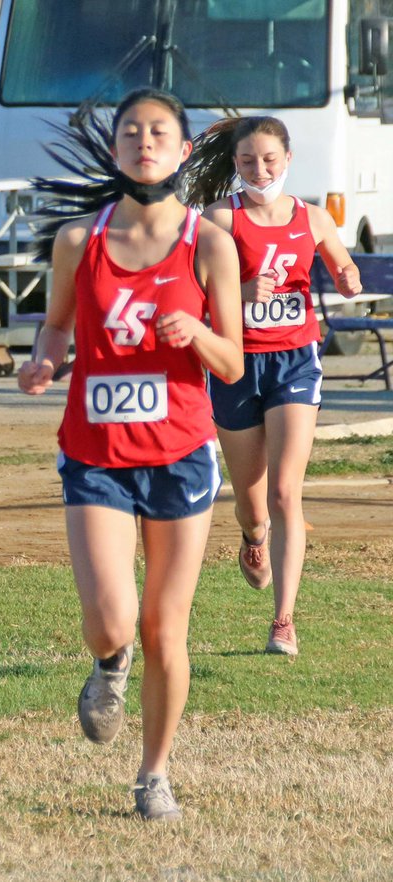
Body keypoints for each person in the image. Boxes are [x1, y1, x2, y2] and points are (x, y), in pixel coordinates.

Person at [18, 89, 244, 820]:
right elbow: (54, 328)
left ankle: (154, 774)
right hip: (97, 451)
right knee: (115, 621)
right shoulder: (79, 241)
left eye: (160, 132)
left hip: (180, 453)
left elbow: (234, 363)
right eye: (131, 132)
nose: (144, 141)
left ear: (183, 152)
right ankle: (107, 663)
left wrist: (196, 332)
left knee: (164, 626)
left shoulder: (209, 243)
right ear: (115, 149)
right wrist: (44, 362)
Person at [184, 116, 363, 656]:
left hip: (295, 361)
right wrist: (240, 289)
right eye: (246, 162)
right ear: (234, 166)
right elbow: (191, 294)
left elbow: (342, 264)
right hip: (236, 364)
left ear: (287, 160)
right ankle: (252, 536)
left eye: (268, 160)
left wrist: (348, 276)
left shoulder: (312, 217)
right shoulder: (217, 219)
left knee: (287, 491)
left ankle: (283, 621)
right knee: (253, 503)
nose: (259, 170)